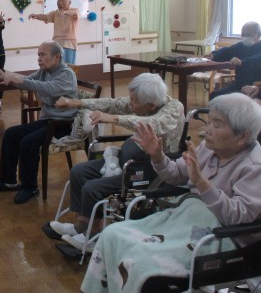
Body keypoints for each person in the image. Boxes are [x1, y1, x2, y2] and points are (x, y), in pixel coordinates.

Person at [75, 93, 261, 293]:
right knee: (113, 234)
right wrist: (157, 156)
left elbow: (237, 217)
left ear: (242, 137)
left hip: (226, 241)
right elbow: (175, 174)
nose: (208, 129)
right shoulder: (209, 148)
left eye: (217, 124)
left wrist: (202, 184)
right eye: (209, 122)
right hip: (187, 221)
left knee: (143, 262)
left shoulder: (259, 169)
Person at [46, 73, 184, 252]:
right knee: (79, 172)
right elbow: (113, 103)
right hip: (127, 162)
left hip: (149, 170)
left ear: (151, 105)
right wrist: (76, 103)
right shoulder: (145, 101)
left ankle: (92, 236)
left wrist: (114, 118)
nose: (130, 103)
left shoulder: (174, 109)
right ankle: (82, 227)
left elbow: (152, 123)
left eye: (133, 101)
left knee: (92, 188)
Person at [0, 41, 78, 204]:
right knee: (11, 134)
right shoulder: (43, 71)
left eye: (43, 55)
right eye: (38, 55)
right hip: (48, 121)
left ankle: (30, 187)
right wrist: (6, 74)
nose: (39, 59)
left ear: (56, 57)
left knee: (28, 142)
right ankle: (8, 181)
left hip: (63, 123)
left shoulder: (66, 74)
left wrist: (15, 78)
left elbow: (47, 88)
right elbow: (27, 80)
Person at [207, 21, 261, 99]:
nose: (244, 37)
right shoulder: (240, 46)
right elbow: (227, 51)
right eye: (243, 35)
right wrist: (214, 55)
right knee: (214, 95)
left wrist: (242, 63)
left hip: (256, 88)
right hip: (239, 86)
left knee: (228, 99)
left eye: (247, 35)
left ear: (258, 35)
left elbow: (260, 60)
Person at [28, 0, 79, 64]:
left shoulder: (75, 11)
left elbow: (75, 14)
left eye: (63, 0)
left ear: (69, 2)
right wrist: (36, 16)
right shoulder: (55, 13)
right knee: (56, 66)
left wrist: (65, 12)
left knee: (69, 67)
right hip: (56, 44)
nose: (60, 3)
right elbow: (46, 17)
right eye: (59, 0)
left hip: (69, 44)